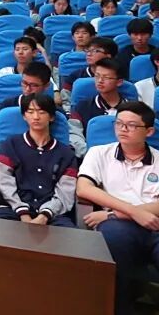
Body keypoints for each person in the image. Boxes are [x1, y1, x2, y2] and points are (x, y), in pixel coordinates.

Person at [77, 101, 159, 315]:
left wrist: (113, 214)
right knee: (114, 238)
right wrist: (133, 212)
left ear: (149, 131)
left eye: (131, 125)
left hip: (153, 223)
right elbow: (84, 188)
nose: (123, 129)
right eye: (119, 123)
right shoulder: (99, 153)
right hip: (119, 227)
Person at [0, 93, 77, 227]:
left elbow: (65, 191)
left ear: (51, 117)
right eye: (30, 112)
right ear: (24, 116)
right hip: (13, 208)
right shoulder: (11, 144)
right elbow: (4, 181)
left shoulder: (66, 153)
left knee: (68, 233)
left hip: (53, 213)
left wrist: (45, 215)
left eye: (42, 112)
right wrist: (22, 211)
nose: (36, 117)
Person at [70, 58, 131, 158]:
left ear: (119, 82)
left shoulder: (133, 110)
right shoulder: (81, 106)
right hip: (89, 158)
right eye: (97, 76)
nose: (100, 81)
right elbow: (74, 135)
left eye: (106, 77)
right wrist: (91, 155)